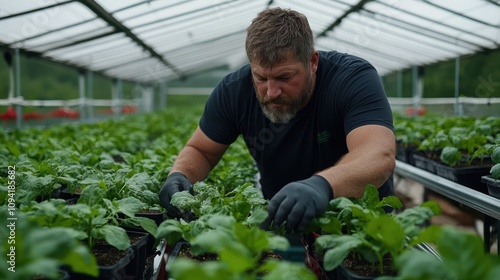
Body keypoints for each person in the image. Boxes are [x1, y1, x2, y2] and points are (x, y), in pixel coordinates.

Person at [159, 7, 395, 233]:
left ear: (312, 62)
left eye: (284, 76)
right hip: (283, 218)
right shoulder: (234, 91)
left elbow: (377, 154)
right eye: (261, 77)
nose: (271, 92)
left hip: (359, 222)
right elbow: (202, 150)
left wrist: (322, 185)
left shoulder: (352, 78)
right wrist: (180, 175)